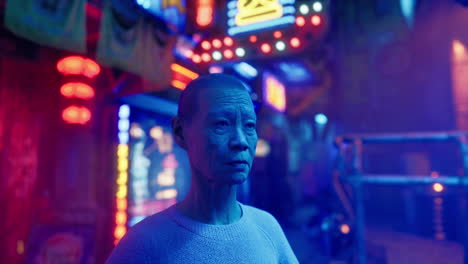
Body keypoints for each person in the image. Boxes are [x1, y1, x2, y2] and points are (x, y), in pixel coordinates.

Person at [106, 74, 299, 263]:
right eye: (222, 124)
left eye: (249, 125)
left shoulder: (267, 227)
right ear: (180, 132)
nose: (240, 141)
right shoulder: (143, 243)